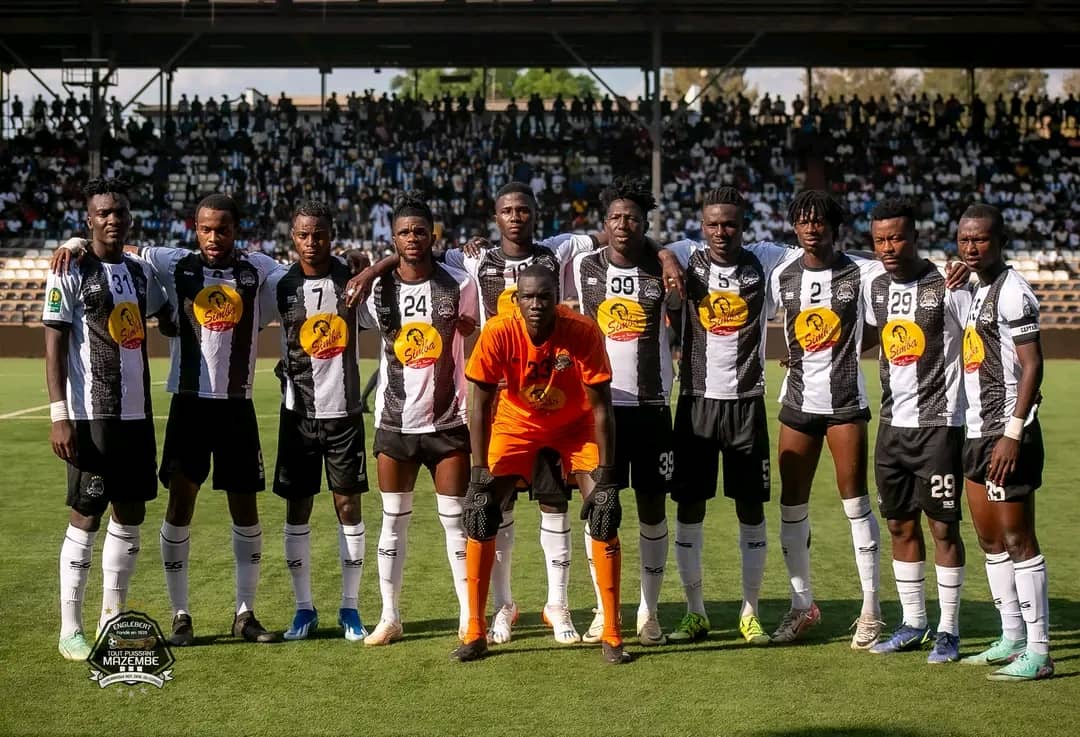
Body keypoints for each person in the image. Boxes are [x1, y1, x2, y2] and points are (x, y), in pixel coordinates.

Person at [346, 181, 598, 646]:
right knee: (490, 509)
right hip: (491, 407)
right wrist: (373, 269)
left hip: (542, 401)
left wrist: (666, 258)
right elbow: (408, 261)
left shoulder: (554, 253)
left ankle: (553, 605)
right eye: (507, 210)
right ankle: (496, 606)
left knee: (552, 505)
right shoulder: (471, 262)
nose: (516, 217)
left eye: (523, 209)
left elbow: (614, 235)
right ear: (495, 216)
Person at [53, 193, 286, 646]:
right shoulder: (170, 262)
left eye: (223, 229)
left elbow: (305, 272)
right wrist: (74, 241)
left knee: (245, 507)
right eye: (206, 229)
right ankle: (181, 615)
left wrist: (359, 264)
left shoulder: (258, 268)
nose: (214, 237)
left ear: (237, 230)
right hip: (188, 404)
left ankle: (245, 613)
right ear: (194, 229)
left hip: (237, 405)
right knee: (180, 505)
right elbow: (115, 245)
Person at [453, 263, 629, 664]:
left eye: (544, 297)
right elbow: (479, 403)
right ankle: (475, 631)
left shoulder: (582, 331)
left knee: (604, 513)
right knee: (480, 512)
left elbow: (603, 408)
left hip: (576, 425)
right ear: (517, 300)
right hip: (517, 422)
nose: (536, 305)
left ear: (557, 299)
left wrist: (607, 477)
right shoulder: (499, 330)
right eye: (528, 297)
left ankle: (612, 633)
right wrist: (478, 473)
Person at [660, 187, 799, 645]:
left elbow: (822, 254)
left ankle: (749, 611)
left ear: (744, 226)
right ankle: (695, 612)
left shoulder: (765, 258)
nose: (722, 232)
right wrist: (665, 257)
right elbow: (646, 245)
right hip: (696, 401)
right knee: (689, 507)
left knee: (751, 508)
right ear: (703, 226)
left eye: (730, 224)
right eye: (714, 224)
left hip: (747, 402)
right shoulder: (687, 254)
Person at [43, 178, 168, 660]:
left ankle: (111, 618)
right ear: (89, 219)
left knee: (131, 513)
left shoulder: (139, 273)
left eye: (119, 212)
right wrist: (59, 414)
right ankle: (70, 629)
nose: (112, 219)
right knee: (86, 513)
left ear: (129, 217)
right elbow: (54, 342)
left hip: (138, 414)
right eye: (103, 213)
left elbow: (166, 311)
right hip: (91, 414)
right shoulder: (70, 267)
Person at [356, 194, 479, 646]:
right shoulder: (378, 290)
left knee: (455, 522)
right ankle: (389, 617)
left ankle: (469, 616)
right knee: (393, 522)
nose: (413, 238)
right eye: (404, 231)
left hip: (447, 421)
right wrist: (371, 269)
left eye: (420, 231)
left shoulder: (459, 284)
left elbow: (474, 329)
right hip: (395, 420)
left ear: (433, 235)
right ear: (393, 237)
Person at [570, 177, 685, 647]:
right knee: (600, 508)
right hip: (599, 411)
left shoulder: (662, 268)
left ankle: (649, 612)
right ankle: (605, 609)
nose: (623, 224)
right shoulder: (585, 266)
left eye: (632, 218)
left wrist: (665, 255)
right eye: (616, 217)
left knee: (653, 511)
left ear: (645, 223)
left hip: (652, 408)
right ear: (605, 222)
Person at [767, 190, 885, 648]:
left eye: (819, 220)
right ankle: (802, 606)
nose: (811, 228)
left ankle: (871, 609)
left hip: (844, 404)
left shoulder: (863, 272)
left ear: (835, 226)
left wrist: (846, 347)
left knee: (855, 503)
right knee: (791, 505)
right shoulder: (783, 273)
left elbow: (888, 314)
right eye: (803, 220)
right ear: (794, 227)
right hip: (798, 401)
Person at [862, 198, 970, 664]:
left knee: (943, 526)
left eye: (896, 238)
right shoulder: (876, 286)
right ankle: (914, 623)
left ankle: (949, 630)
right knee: (898, 524)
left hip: (938, 426)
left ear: (914, 237)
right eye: (879, 240)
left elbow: (979, 337)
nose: (887, 247)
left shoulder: (948, 284)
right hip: (891, 427)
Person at [261, 201, 369, 642]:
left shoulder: (353, 278)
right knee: (298, 509)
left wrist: (368, 263)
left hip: (344, 414)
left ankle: (350, 607)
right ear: (293, 238)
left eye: (319, 234)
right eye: (303, 235)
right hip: (298, 416)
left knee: (348, 507)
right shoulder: (278, 283)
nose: (311, 243)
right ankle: (303, 609)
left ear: (331, 236)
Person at [956, 204, 1052, 681]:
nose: (971, 247)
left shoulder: (1013, 292)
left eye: (980, 239)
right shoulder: (977, 287)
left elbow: (1033, 365)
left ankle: (1040, 651)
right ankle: (1011, 636)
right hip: (976, 430)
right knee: (990, 540)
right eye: (964, 239)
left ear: (1000, 242)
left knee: (1018, 540)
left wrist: (1013, 434)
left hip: (1006, 433)